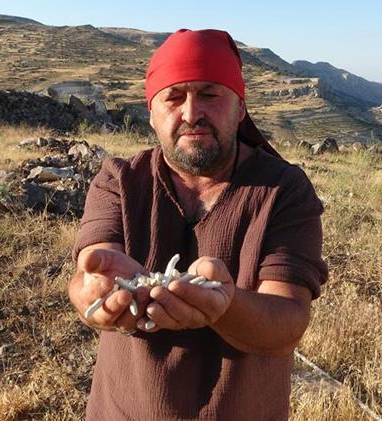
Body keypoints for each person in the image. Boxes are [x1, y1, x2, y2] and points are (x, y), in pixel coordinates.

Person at [67, 28, 328, 420]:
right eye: (174, 97)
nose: (191, 114)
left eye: (210, 94)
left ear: (240, 108)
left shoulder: (283, 190)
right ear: (151, 113)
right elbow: (89, 273)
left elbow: (288, 322)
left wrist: (225, 306)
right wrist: (95, 294)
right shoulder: (118, 181)